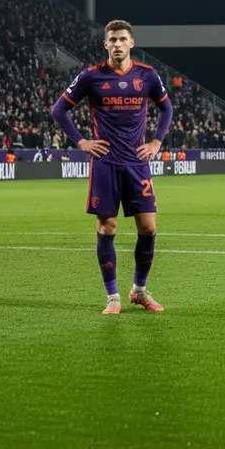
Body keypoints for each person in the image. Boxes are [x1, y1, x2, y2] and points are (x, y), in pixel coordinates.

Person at [51, 19, 173, 315]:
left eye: (122, 39)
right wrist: (81, 142)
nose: (117, 44)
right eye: (112, 40)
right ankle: (113, 296)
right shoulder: (91, 76)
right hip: (105, 164)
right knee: (108, 226)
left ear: (131, 43)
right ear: (105, 44)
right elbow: (59, 109)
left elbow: (166, 107)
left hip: (137, 163)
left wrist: (157, 141)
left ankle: (139, 290)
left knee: (149, 227)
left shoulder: (147, 75)